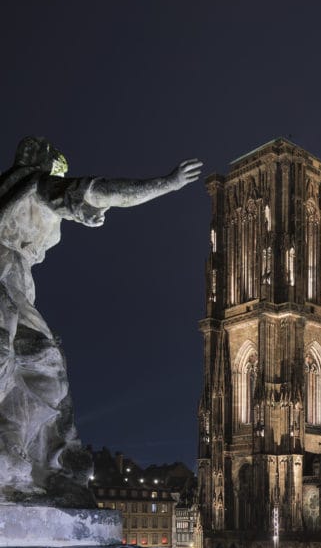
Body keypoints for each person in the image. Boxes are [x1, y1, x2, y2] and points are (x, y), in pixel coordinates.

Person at [0, 136, 202, 503]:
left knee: (43, 365)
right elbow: (104, 192)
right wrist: (166, 183)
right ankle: (45, 463)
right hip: (7, 283)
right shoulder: (36, 184)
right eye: (59, 169)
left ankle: (44, 460)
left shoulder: (11, 191)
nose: (63, 175)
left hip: (14, 285)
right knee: (38, 364)